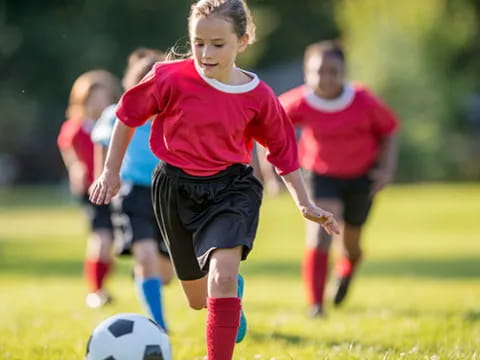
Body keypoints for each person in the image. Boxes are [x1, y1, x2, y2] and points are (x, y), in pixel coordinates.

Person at [89, 1, 339, 359]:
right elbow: (126, 115)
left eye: (218, 44)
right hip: (173, 188)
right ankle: (228, 296)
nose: (206, 53)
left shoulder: (258, 96)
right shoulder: (169, 77)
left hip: (232, 189)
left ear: (243, 39)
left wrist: (304, 202)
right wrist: (111, 171)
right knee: (196, 300)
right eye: (198, 42)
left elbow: (283, 150)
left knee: (220, 278)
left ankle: (222, 314)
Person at [278, 40, 399, 318]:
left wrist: (386, 169)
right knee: (320, 236)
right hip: (321, 174)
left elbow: (390, 130)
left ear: (344, 72)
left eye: (333, 71)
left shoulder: (363, 100)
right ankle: (316, 305)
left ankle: (346, 269)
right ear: (307, 72)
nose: (325, 78)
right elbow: (269, 128)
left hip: (361, 176)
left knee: (350, 245)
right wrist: (270, 172)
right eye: (319, 71)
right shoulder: (299, 101)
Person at [91, 50, 173, 331]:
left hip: (169, 195)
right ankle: (159, 324)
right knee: (146, 257)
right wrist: (102, 175)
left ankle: (144, 275)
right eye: (142, 82)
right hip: (133, 195)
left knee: (167, 274)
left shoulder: (174, 115)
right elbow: (101, 142)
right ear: (132, 84)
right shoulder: (117, 114)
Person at [57, 70, 122, 308]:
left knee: (115, 241)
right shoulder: (75, 128)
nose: (97, 104)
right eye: (91, 99)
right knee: (102, 239)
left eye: (102, 98)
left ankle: (104, 284)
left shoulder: (117, 125)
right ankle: (96, 290)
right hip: (92, 192)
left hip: (117, 189)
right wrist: (75, 169)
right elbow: (70, 154)